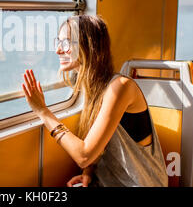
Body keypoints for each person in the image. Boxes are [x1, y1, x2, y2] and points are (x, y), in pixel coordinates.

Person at [21, 15, 168, 187]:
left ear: (88, 46)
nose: (58, 50)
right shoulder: (91, 87)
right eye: (58, 42)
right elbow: (100, 147)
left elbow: (84, 156)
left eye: (67, 43)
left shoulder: (120, 87)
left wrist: (43, 112)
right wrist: (88, 172)